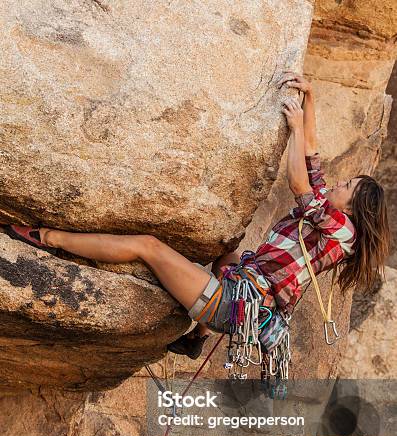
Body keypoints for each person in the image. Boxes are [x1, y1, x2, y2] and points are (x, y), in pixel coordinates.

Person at [3, 73, 390, 361]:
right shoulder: (332, 218)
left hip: (233, 303)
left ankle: (45, 237)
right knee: (227, 255)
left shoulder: (342, 230)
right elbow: (313, 157)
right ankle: (194, 339)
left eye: (348, 186)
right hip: (245, 291)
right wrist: (311, 98)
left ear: (356, 208)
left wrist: (291, 128)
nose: (339, 183)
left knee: (148, 247)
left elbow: (298, 180)